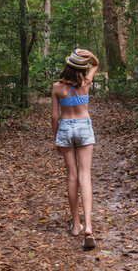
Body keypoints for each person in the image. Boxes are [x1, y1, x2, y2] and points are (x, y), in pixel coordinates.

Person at [51, 49, 99, 250]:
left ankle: (76, 225)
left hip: (65, 129)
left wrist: (56, 139)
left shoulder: (57, 88)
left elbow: (54, 116)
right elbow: (96, 64)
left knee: (72, 176)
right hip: (83, 127)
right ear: (81, 68)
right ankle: (88, 226)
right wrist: (90, 54)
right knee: (85, 176)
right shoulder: (85, 83)